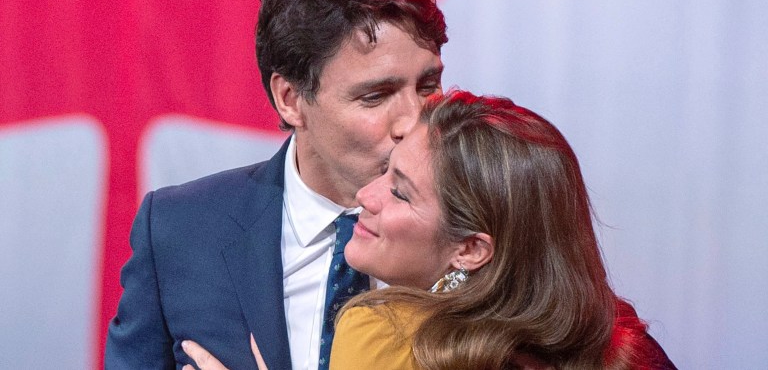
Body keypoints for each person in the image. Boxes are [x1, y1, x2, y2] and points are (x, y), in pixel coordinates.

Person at [105, 0, 447, 369]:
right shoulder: (181, 230)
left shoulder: (482, 227)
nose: (413, 121)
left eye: (428, 86)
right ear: (290, 99)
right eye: (376, 96)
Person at [183, 90, 676, 369]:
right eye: (386, 171)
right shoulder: (629, 350)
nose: (365, 196)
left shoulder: (382, 337)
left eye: (400, 192)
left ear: (471, 249)